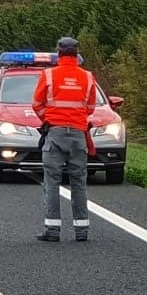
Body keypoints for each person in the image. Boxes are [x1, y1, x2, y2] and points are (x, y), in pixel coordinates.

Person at [33, 37, 99, 242]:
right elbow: (90, 107)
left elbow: (37, 103)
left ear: (59, 53)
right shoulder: (87, 77)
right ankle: (81, 230)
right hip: (79, 135)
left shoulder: (49, 75)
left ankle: (52, 230)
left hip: (55, 133)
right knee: (79, 181)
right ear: (76, 54)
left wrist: (49, 119)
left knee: (52, 181)